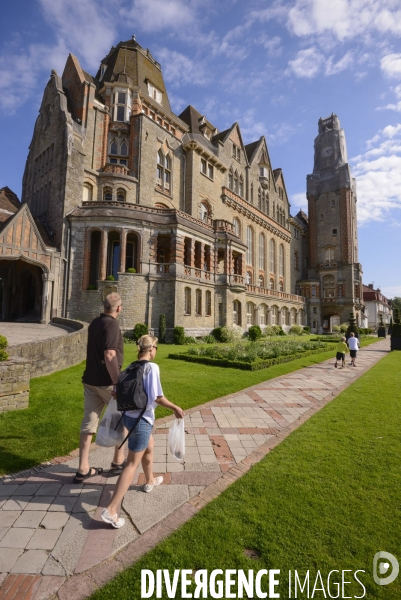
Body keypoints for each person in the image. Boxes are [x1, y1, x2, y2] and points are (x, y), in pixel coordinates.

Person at [101, 334, 184, 528]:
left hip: (129, 418)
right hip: (142, 420)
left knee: (150, 446)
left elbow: (117, 392)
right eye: (156, 348)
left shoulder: (131, 367)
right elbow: (157, 397)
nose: (156, 352)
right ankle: (111, 510)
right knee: (131, 464)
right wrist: (175, 408)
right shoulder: (151, 368)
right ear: (152, 348)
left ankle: (150, 480)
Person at [74, 292, 126, 483]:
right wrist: (117, 383)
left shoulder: (95, 322)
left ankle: (83, 468)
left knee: (88, 423)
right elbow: (110, 354)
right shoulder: (111, 324)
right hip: (106, 382)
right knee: (122, 419)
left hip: (90, 380)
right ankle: (118, 462)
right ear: (118, 308)